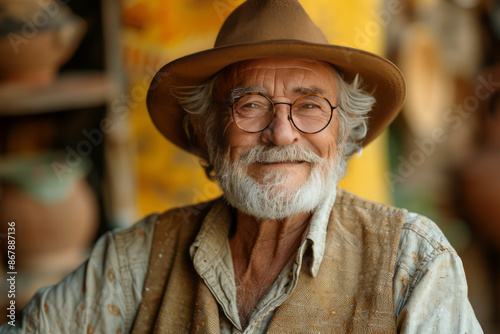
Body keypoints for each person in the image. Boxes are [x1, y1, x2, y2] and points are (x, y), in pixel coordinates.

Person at [3, 0, 482, 333]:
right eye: (250, 105)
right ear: (207, 135)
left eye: (311, 105)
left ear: (345, 134)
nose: (281, 133)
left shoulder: (412, 263)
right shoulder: (138, 258)